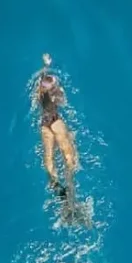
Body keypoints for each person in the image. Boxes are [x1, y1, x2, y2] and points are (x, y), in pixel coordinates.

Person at [33, 53, 87, 224]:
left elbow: (43, 78)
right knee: (70, 160)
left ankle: (60, 192)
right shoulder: (55, 95)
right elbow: (63, 102)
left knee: (49, 162)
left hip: (45, 125)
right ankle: (72, 202)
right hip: (55, 122)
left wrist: (45, 65)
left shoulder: (39, 91)